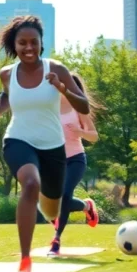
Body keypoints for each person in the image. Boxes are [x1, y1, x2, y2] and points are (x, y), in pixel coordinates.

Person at [0, 16, 90, 272]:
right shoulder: (7, 73)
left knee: (52, 207)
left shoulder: (57, 69)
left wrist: (62, 88)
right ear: (15, 46)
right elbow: (5, 97)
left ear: (41, 44)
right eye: (22, 43)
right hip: (18, 139)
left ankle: (59, 209)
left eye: (33, 42)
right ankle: (25, 260)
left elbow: (84, 106)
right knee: (30, 183)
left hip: (53, 146)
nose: (28, 47)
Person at [47, 73, 100, 256]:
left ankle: (56, 239)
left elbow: (94, 136)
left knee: (65, 195)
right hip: (55, 162)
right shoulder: (50, 107)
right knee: (53, 201)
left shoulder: (78, 109)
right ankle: (86, 206)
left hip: (75, 159)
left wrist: (80, 131)